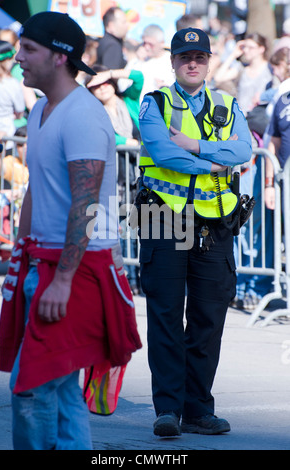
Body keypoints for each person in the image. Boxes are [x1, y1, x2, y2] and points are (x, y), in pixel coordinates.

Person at [0, 11, 141, 450]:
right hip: (41, 262)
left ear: (60, 57)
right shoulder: (41, 108)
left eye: (29, 49)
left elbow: (85, 203)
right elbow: (39, 193)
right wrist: (20, 254)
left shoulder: (82, 114)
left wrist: (61, 280)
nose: (18, 57)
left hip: (73, 269)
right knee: (59, 390)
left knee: (32, 387)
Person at [138, 27, 252, 437]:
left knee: (208, 317)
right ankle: (168, 409)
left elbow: (245, 150)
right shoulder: (155, 103)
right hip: (163, 217)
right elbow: (160, 150)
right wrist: (217, 165)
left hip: (215, 223)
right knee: (165, 314)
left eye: (199, 57)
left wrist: (196, 145)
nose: (192, 62)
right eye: (185, 56)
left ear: (208, 62)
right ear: (172, 61)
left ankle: (198, 409)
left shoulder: (227, 102)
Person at [87, 66, 144, 294]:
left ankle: (139, 276)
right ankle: (126, 278)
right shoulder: (93, 113)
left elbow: (138, 77)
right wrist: (124, 141)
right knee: (121, 227)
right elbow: (105, 135)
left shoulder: (129, 102)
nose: (102, 88)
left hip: (139, 173)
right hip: (115, 176)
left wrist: (109, 73)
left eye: (105, 83)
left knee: (140, 226)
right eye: (95, 86)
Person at [214, 32, 272, 116]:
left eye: (251, 47)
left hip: (260, 119)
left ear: (261, 49)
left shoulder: (270, 69)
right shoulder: (242, 68)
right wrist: (233, 55)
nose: (246, 50)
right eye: (245, 47)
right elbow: (218, 78)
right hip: (241, 117)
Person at [139, 24, 175, 100]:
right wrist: (138, 61)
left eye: (151, 44)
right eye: (144, 43)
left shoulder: (172, 61)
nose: (147, 47)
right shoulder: (138, 61)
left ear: (162, 43)